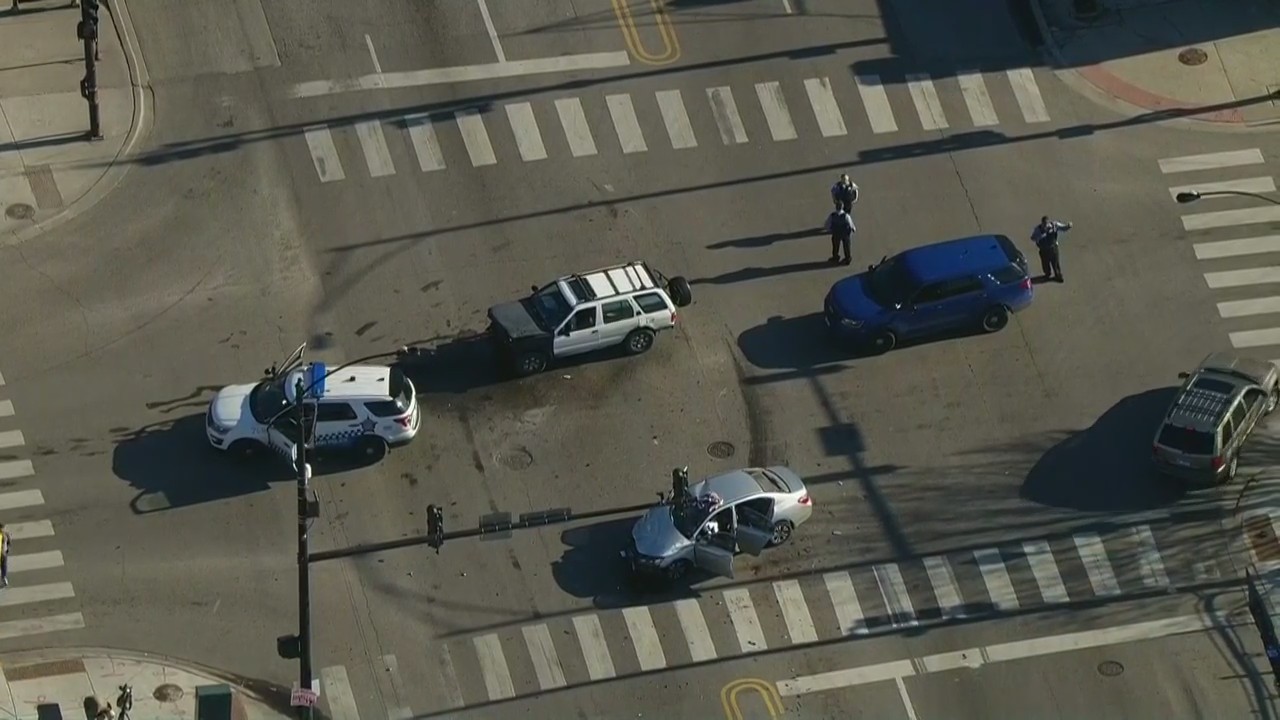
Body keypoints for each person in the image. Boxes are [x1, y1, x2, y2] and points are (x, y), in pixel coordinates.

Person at [1031, 216, 1073, 282]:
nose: (1045, 226)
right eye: (1044, 224)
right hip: (1044, 250)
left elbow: (1063, 228)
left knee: (1055, 263)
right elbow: (1033, 238)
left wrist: (1068, 226)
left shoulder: (1054, 225)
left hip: (1053, 248)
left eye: (1046, 224)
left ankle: (1058, 275)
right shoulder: (1038, 229)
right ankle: (1047, 274)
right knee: (1045, 263)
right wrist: (1040, 235)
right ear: (1042, 223)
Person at [0, 523, 9, 588]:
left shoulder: (5, 534)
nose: (3, 530)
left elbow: (8, 541)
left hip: (4, 554)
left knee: (4, 566)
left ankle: (4, 577)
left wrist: (6, 549)